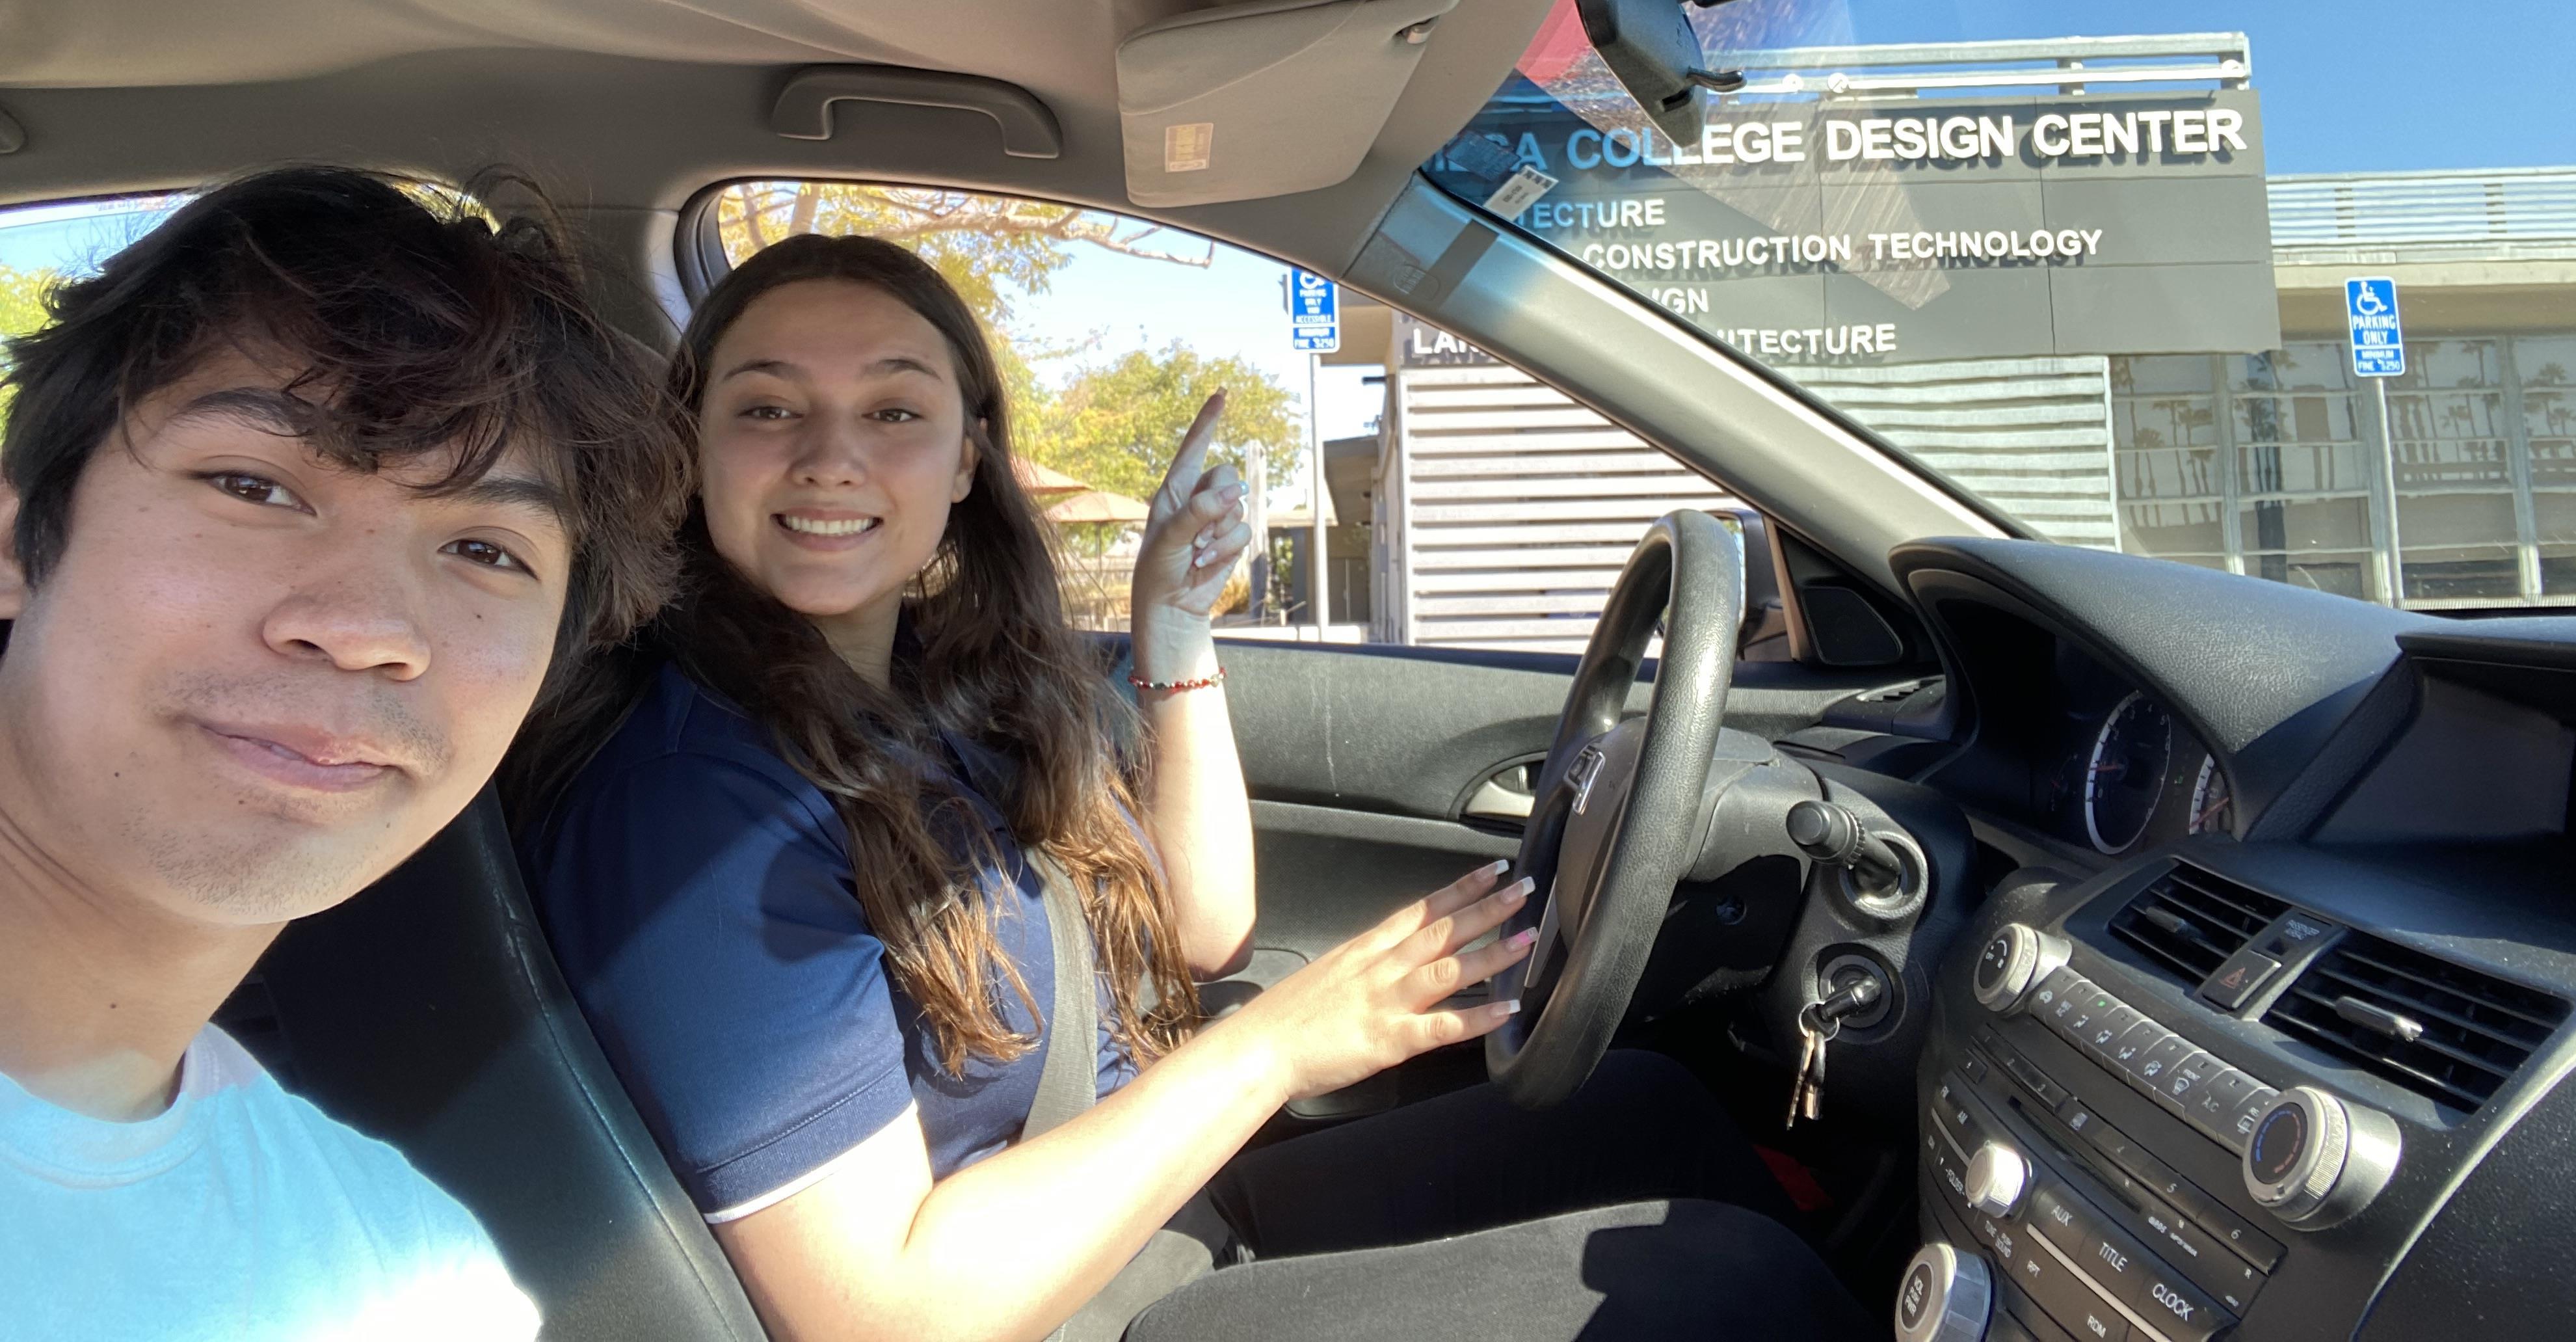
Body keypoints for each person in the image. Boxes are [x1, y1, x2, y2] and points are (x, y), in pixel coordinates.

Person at [517, 233, 1871, 1342]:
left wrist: (1173, 629)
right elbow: (885, 1315)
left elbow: (1196, 931)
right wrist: (1275, 1045)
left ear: (966, 458)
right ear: (693, 448)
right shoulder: (691, 812)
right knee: (1729, 1293)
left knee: (1643, 1107)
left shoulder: (933, 690)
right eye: (767, 408)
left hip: (1144, 1226)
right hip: (1036, 1307)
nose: (830, 455)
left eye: (893, 410)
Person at [0, 167, 690, 1340]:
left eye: (485, 550)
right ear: (20, 542)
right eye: (252, 485)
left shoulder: (418, 1275)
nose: (368, 626)